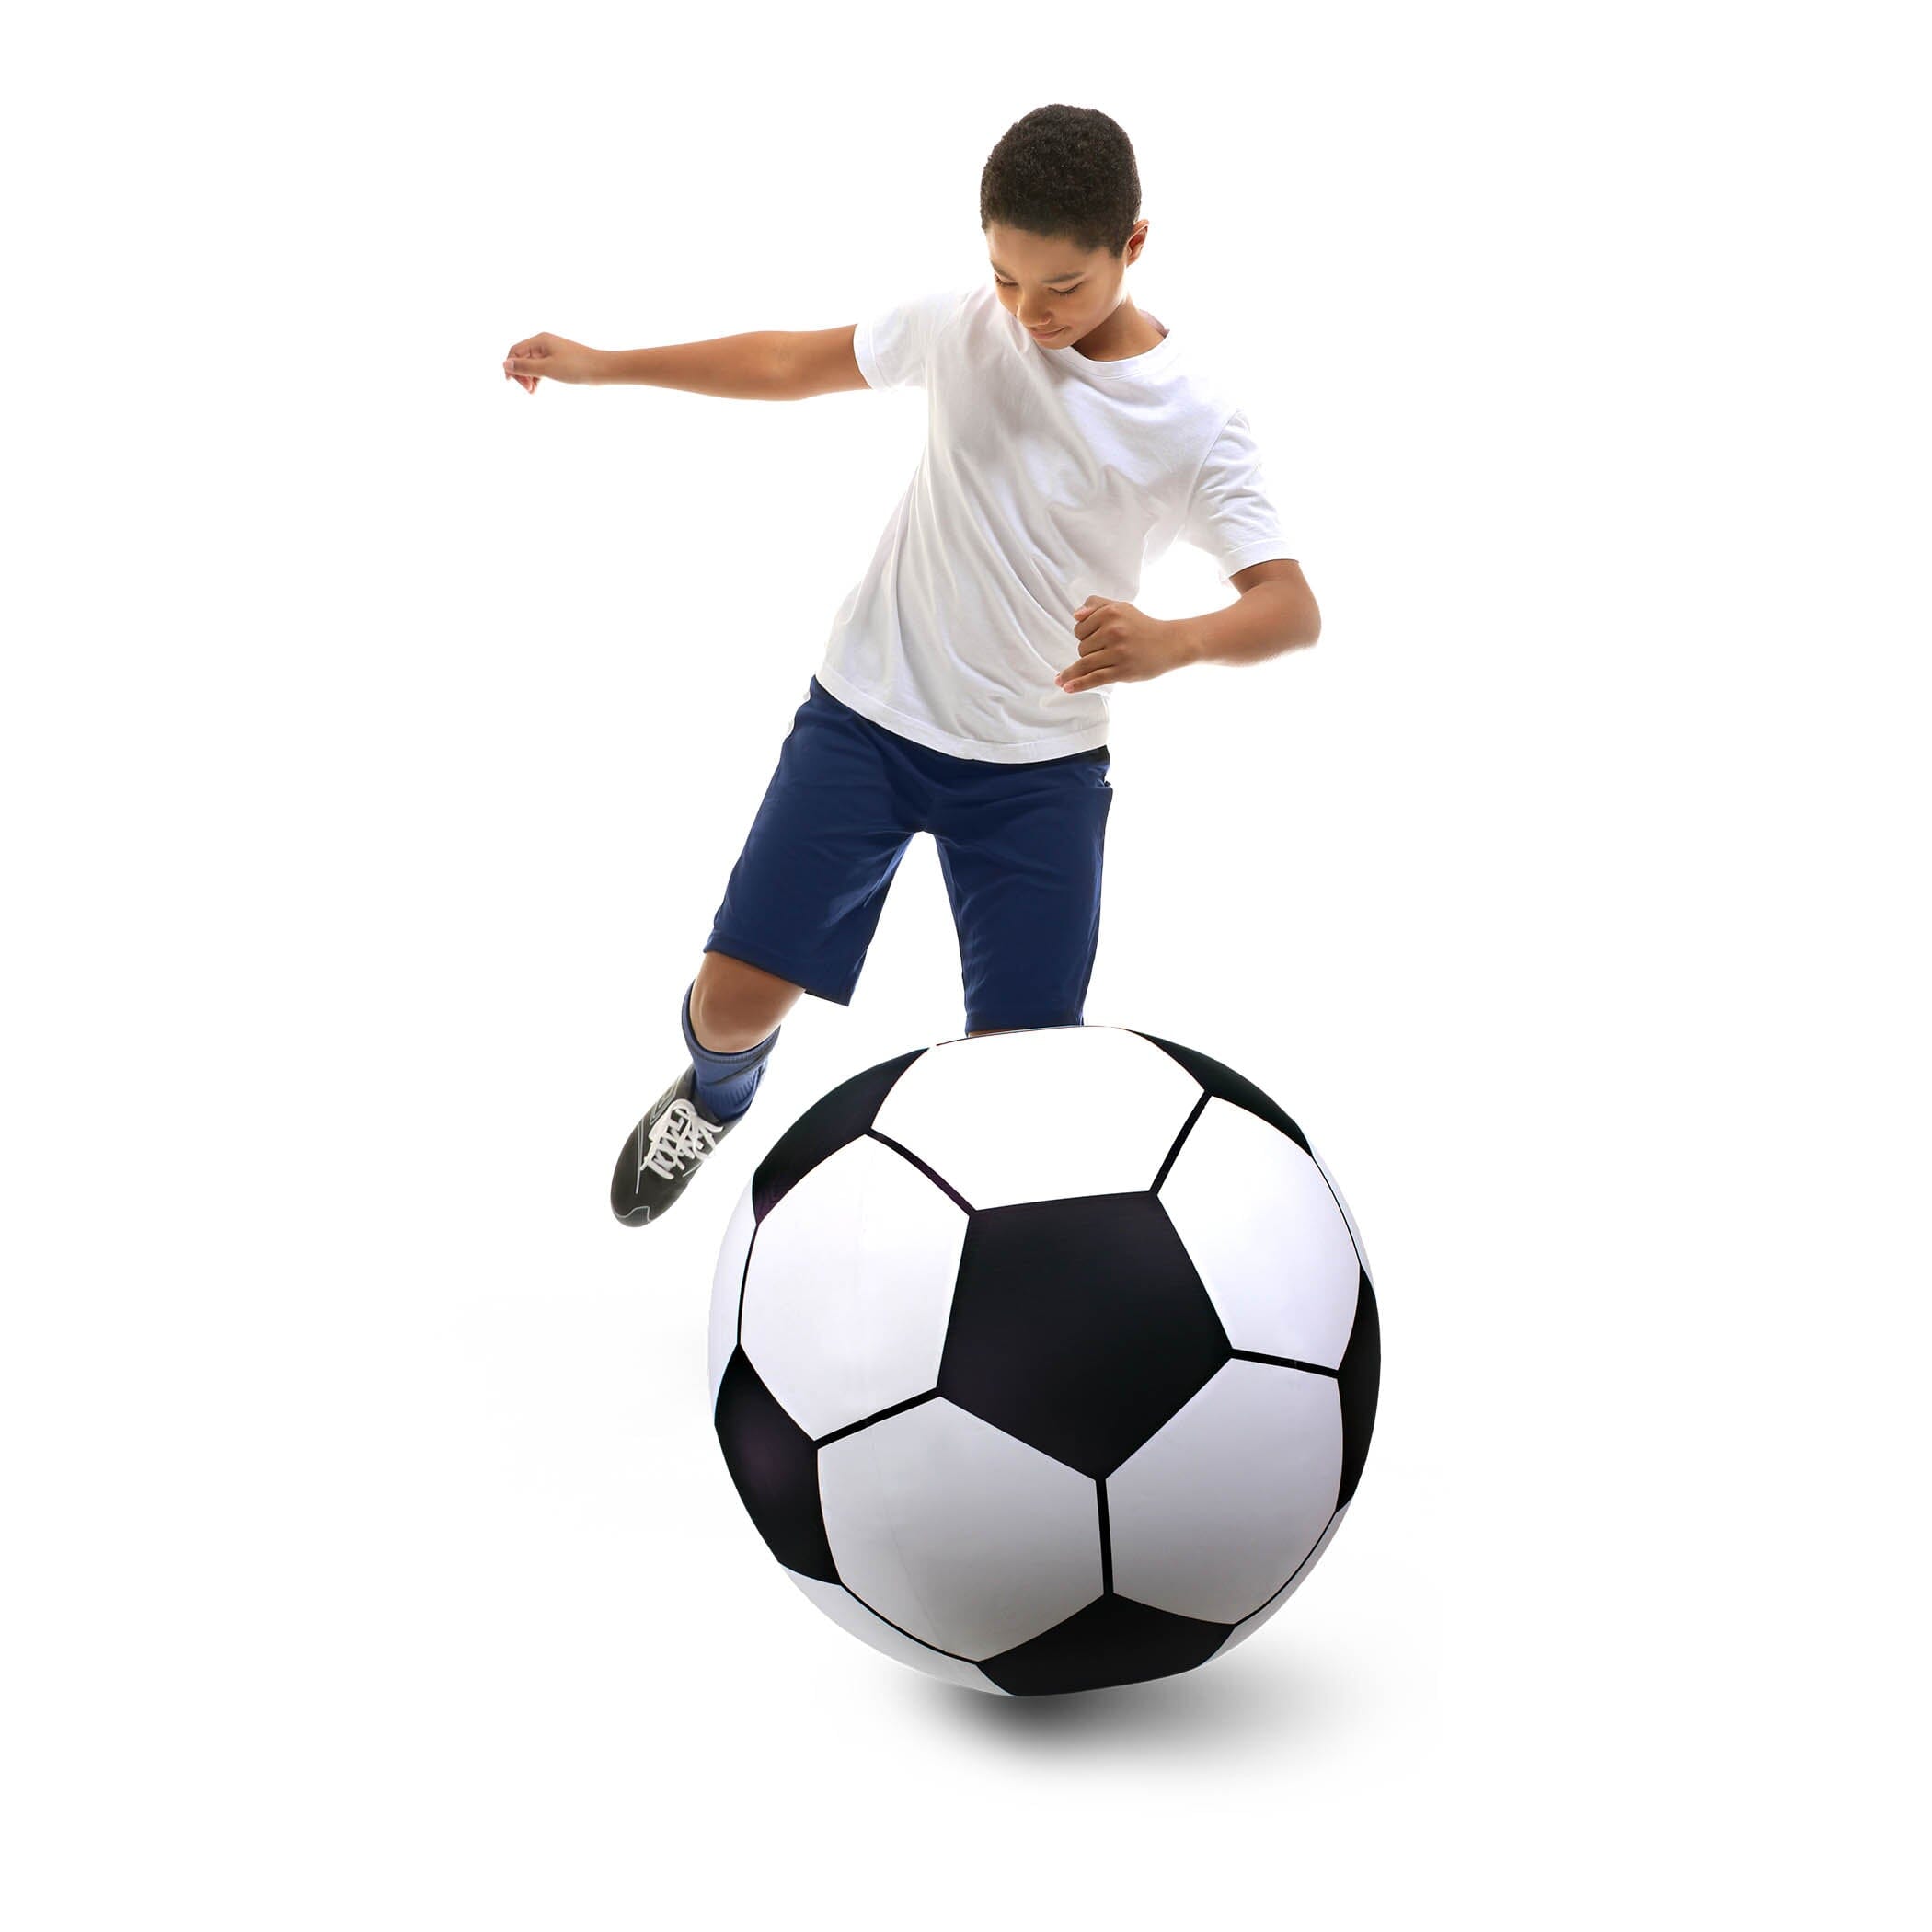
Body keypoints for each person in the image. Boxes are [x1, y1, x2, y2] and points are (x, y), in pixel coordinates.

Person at [501, 104, 1320, 1229]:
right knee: (731, 1006)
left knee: (1022, 1084)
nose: (1029, 314)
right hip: (868, 722)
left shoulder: (1197, 419)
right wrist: (608, 365)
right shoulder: (964, 327)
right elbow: (794, 362)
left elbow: (1290, 607)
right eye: (1004, 276)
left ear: (1133, 245)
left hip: (1035, 774)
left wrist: (1173, 641)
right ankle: (722, 1091)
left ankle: (968, 1282)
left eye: (1063, 287)